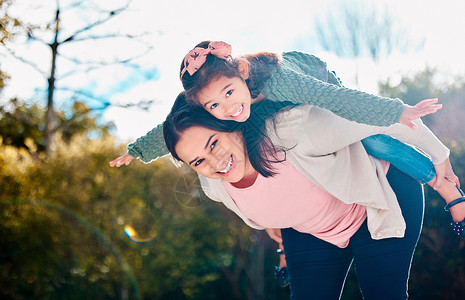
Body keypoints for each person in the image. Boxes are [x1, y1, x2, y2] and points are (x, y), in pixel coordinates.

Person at [162, 92, 465, 299]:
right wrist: (272, 222)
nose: (214, 164)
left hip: (379, 197)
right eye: (197, 162)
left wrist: (439, 156)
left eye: (213, 144)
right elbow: (258, 207)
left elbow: (382, 116)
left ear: (229, 125)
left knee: (383, 292)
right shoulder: (214, 185)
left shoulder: (293, 131)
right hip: (314, 231)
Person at [110, 41, 458, 211]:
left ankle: (443, 184)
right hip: (276, 116)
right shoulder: (216, 108)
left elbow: (340, 100)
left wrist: (397, 111)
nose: (227, 108)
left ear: (242, 74)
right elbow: (174, 126)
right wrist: (136, 151)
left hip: (318, 83)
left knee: (372, 141)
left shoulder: (280, 80)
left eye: (230, 93)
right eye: (214, 105)